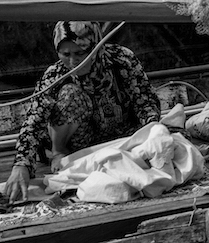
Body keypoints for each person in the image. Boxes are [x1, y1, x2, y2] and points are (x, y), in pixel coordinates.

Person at [4, 21, 161, 203]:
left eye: (80, 53)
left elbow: (145, 100)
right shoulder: (55, 76)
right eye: (65, 54)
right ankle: (59, 152)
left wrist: (153, 130)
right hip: (78, 148)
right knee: (71, 94)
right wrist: (21, 165)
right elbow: (34, 120)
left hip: (122, 138)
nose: (73, 61)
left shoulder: (121, 60)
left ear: (96, 46)